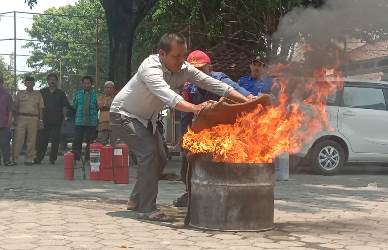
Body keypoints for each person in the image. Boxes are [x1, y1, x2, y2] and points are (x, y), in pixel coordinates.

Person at [110, 32, 249, 222]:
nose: (181, 61)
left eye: (184, 55)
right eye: (176, 56)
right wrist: (195, 108)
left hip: (146, 120)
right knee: (149, 154)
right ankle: (146, 208)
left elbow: (213, 83)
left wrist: (246, 99)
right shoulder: (150, 68)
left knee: (160, 157)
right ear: (162, 53)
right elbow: (169, 96)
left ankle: (135, 199)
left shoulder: (184, 68)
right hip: (123, 115)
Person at [175, 50, 254, 207]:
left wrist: (250, 97)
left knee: (225, 160)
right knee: (188, 160)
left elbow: (236, 89)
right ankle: (190, 192)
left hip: (224, 129)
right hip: (203, 130)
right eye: (194, 70)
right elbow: (185, 116)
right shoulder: (188, 87)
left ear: (209, 69)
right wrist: (184, 138)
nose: (197, 74)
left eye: (201, 69)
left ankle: (229, 195)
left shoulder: (220, 79)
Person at [34, 73, 70, 165]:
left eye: (54, 79)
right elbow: (38, 106)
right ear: (47, 81)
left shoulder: (61, 93)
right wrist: (39, 119)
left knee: (55, 140)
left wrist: (65, 118)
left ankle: (52, 158)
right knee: (42, 141)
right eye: (50, 79)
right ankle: (39, 158)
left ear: (57, 81)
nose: (52, 81)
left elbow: (64, 106)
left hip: (57, 120)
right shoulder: (42, 91)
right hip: (44, 120)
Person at [12, 76, 44, 165]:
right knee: (18, 139)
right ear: (25, 83)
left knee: (32, 139)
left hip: (34, 118)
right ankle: (15, 159)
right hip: (21, 118)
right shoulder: (20, 93)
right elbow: (15, 107)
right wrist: (14, 119)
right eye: (27, 82)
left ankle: (29, 159)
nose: (29, 84)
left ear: (34, 84)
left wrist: (41, 120)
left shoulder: (38, 94)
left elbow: (41, 108)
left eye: (31, 82)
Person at [71, 76, 98, 162]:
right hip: (79, 121)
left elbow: (98, 107)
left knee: (90, 142)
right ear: (82, 84)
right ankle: (75, 158)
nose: (87, 85)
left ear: (91, 84)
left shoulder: (96, 94)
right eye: (85, 83)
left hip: (92, 122)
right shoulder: (78, 94)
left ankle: (88, 159)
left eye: (88, 83)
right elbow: (74, 106)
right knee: (77, 141)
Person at [0, 75, 16, 166]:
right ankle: (6, 161)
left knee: (5, 143)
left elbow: (10, 110)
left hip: (4, 122)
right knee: (5, 143)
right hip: (5, 122)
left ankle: (6, 160)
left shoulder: (7, 94)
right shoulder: (7, 94)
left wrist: (9, 122)